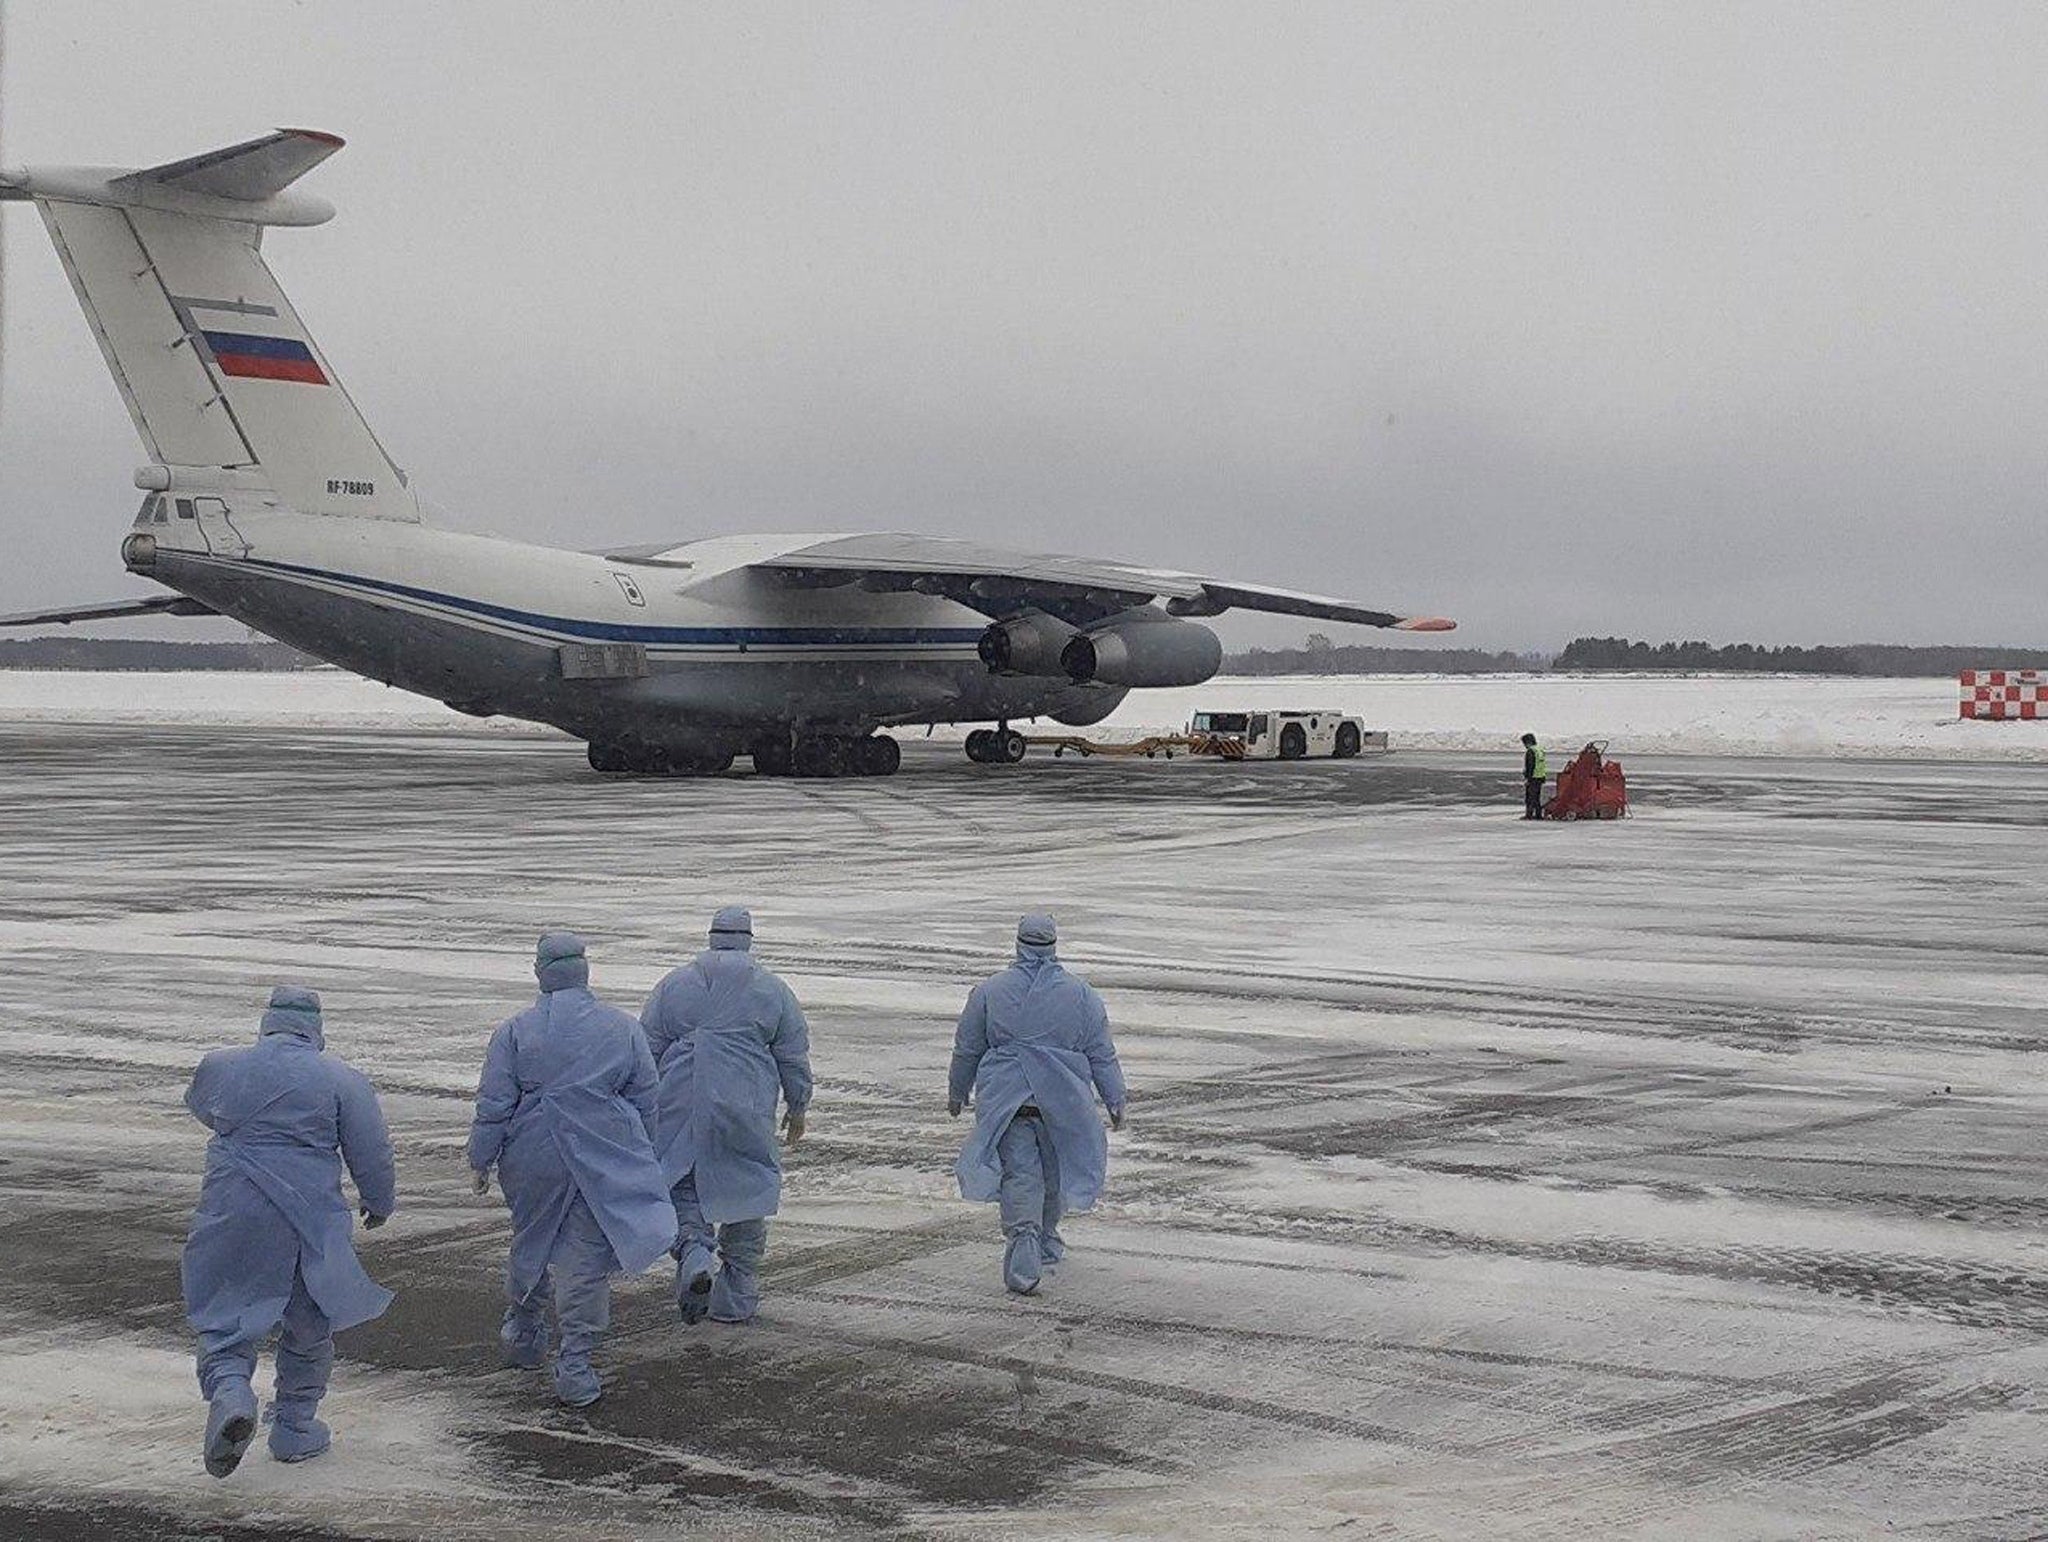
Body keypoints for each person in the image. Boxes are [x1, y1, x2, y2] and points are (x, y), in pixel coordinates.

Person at [181, 985, 396, 1477]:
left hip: (231, 1211)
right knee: (308, 1322)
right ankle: (295, 1426)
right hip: (308, 1219)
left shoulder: (222, 1065)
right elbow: (371, 1152)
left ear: (268, 1022)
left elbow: (201, 1106)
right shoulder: (342, 1080)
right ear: (315, 1027)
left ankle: (232, 1392)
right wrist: (379, 1203)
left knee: (225, 1313)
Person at [467, 932, 675, 1407]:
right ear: (584, 971)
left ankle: (523, 1332)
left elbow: (495, 1104)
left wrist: (482, 1157)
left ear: (541, 971)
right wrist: (641, 1154)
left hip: (533, 1154)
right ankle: (575, 1363)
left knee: (532, 1241)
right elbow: (646, 1098)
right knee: (585, 1262)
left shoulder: (516, 1030)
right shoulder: (621, 1028)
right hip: (602, 1151)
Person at [641, 906, 813, 1326]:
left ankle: (695, 1252)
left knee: (682, 1186)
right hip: (745, 1102)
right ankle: (737, 1295)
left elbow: (646, 1049)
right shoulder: (771, 988)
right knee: (747, 1192)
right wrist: (798, 1103)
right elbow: (792, 1051)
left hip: (682, 1100)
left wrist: (639, 1107)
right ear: (748, 938)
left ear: (712, 936)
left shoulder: (675, 984)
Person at [949, 913, 1126, 1296]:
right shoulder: (1081, 994)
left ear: (1018, 943)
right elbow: (1102, 1054)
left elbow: (968, 1048)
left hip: (1009, 1103)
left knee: (1022, 1177)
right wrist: (1115, 1099)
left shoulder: (990, 991)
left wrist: (957, 1090)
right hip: (1062, 1103)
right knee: (1051, 1176)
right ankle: (1041, 1242)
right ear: (1053, 944)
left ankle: (1028, 1249)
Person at [1521, 732, 1549, 819]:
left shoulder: (1531, 751)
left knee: (1530, 798)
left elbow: (1530, 766)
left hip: (1533, 777)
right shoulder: (1540, 750)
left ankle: (1529, 815)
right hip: (1540, 777)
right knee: (1536, 797)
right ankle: (1538, 814)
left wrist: (1527, 778)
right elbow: (1542, 764)